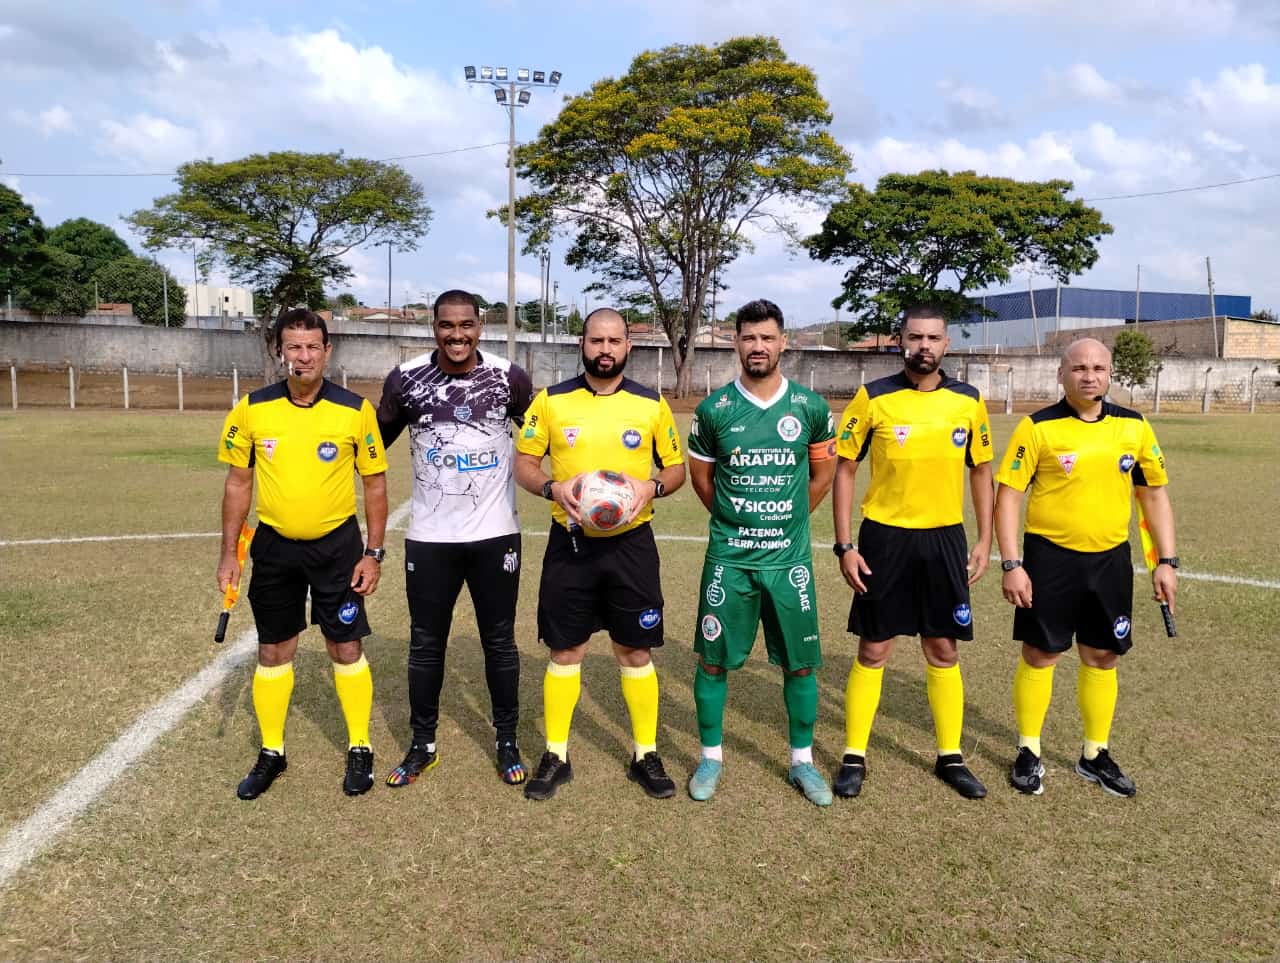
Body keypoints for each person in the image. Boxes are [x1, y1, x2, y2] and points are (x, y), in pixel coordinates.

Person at [513, 308, 686, 801]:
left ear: (628, 346)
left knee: (635, 650)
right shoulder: (551, 401)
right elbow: (524, 463)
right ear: (582, 344)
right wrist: (552, 487)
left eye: (614, 341)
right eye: (596, 340)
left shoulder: (651, 404)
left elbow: (674, 469)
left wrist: (649, 486)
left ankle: (645, 754)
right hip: (571, 544)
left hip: (632, 546)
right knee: (565, 650)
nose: (604, 350)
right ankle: (556, 754)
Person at [217, 307, 388, 800]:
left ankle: (359, 746)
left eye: (313, 346)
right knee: (274, 648)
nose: (304, 356)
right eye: (294, 346)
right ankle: (272, 751)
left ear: (327, 351)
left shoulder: (355, 410)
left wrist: (373, 553)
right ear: (279, 351)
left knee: (345, 646)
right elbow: (238, 483)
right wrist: (229, 554)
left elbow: (375, 485)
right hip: (274, 547)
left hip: (338, 547)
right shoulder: (252, 408)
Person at [995, 337, 1176, 798]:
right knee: (1041, 653)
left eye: (1098, 368)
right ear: (1061, 374)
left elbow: (1153, 495)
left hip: (1110, 559)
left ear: (1110, 373)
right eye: (1079, 368)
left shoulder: (1134, 426)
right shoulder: (1037, 427)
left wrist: (1166, 561)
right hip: (1049, 558)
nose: (1089, 376)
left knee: (1102, 655)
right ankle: (1028, 749)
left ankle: (1095, 754)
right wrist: (1012, 563)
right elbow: (1009, 496)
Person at [831, 304, 994, 800]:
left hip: (944, 538)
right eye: (916, 337)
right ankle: (853, 756)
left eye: (933, 338)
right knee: (874, 648)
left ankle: (951, 757)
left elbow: (981, 470)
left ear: (947, 344)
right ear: (901, 340)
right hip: (885, 538)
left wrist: (985, 539)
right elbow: (844, 469)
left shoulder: (969, 400)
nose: (924, 346)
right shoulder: (873, 397)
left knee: (943, 648)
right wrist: (845, 545)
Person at [376, 290, 534, 788]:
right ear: (434, 328)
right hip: (430, 538)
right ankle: (423, 745)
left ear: (480, 327)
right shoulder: (406, 379)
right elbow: (371, 446)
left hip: (495, 534)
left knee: (499, 642)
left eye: (466, 325)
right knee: (425, 644)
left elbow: (541, 438)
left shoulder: (509, 378)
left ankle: (506, 740)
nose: (457, 334)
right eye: (447, 325)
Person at [685, 299, 837, 806]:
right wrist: (736, 522)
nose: (758, 346)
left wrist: (787, 521)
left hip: (788, 562)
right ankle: (711, 757)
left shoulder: (810, 408)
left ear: (783, 342)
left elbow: (822, 476)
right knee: (713, 661)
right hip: (730, 561)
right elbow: (702, 480)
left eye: (767, 337)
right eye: (749, 337)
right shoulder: (714, 410)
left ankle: (802, 762)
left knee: (800, 665)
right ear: (736, 342)